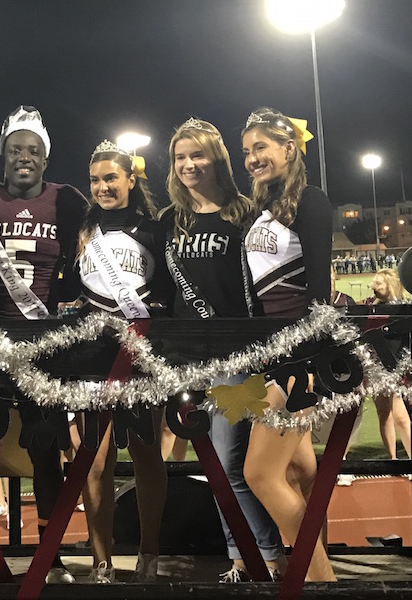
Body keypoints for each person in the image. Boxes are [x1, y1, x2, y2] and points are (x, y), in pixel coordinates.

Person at [0, 106, 86, 584]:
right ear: (3, 156)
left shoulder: (67, 201)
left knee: (46, 450)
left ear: (46, 159)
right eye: (16, 150)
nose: (24, 158)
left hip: (44, 344)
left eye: (33, 151)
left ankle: (50, 556)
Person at [161, 117, 286, 582]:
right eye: (180, 157)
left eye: (198, 154)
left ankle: (264, 556)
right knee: (215, 464)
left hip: (238, 358)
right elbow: (158, 288)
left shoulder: (245, 214)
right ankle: (245, 556)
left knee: (232, 463)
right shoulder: (169, 222)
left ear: (217, 158)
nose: (189, 164)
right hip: (184, 360)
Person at [241, 107, 335, 582]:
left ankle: (316, 581)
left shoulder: (311, 201)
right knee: (298, 476)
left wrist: (311, 361)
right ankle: (319, 574)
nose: (253, 158)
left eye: (261, 147)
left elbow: (319, 290)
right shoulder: (261, 209)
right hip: (269, 354)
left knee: (259, 474)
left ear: (289, 148)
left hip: (298, 356)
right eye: (247, 151)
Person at [77, 140, 169, 583]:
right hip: (93, 359)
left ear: (131, 179)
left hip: (141, 357)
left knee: (147, 456)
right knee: (95, 461)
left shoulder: (155, 230)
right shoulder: (80, 230)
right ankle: (102, 561)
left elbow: (167, 291)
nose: (102, 187)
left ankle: (150, 555)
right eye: (95, 180)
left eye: (111, 177)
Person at [363, 269, 411, 459]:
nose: (373, 287)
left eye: (378, 284)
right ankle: (392, 460)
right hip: (376, 368)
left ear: (390, 285)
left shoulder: (405, 307)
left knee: (401, 417)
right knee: (384, 414)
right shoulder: (370, 308)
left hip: (398, 368)